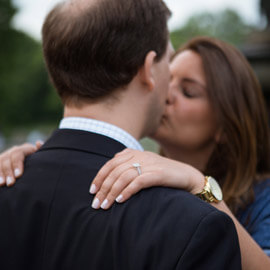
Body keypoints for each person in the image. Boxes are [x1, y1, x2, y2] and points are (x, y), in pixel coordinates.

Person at [0, 1, 241, 270]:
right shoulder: (193, 225)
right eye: (168, 62)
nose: (170, 82)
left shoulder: (7, 182)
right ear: (148, 69)